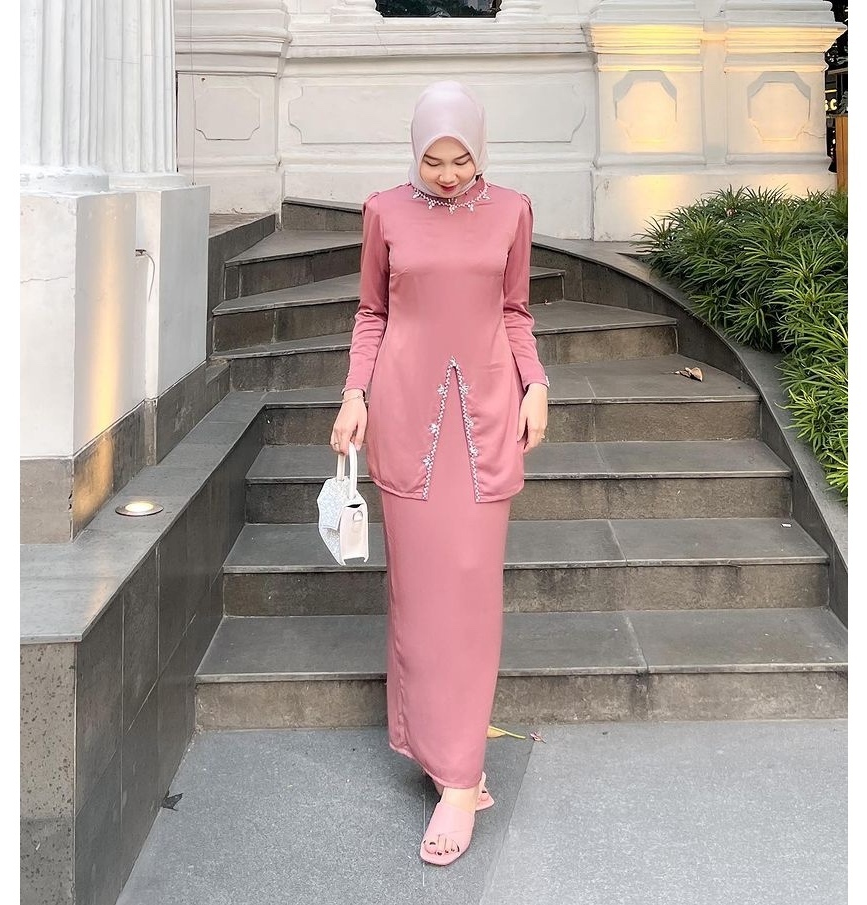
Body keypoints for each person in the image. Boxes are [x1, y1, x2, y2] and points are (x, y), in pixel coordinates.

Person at [329, 80, 549, 866]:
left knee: (471, 588)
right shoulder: (384, 211)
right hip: (402, 412)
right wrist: (353, 393)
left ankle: (458, 775)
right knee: (418, 593)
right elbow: (372, 312)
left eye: (460, 159)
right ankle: (443, 753)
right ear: (415, 150)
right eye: (433, 159)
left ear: (479, 150)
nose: (448, 174)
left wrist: (535, 384)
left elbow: (514, 310)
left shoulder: (511, 210)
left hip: (485, 416)